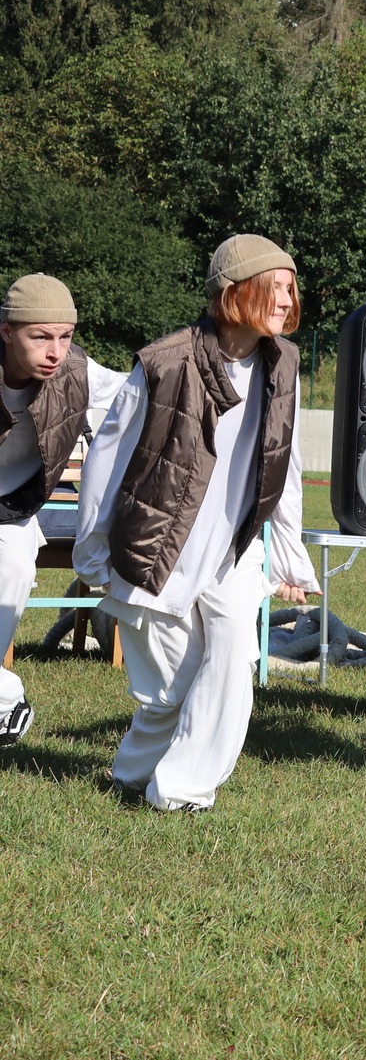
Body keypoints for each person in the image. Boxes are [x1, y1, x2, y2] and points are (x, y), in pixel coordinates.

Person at [76, 236, 319, 812]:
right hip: (160, 550)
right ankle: (132, 774)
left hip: (233, 550)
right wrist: (91, 551)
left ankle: (182, 791)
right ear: (237, 293)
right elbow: (107, 460)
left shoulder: (283, 363)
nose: (289, 300)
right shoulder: (163, 363)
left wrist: (288, 557)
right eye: (277, 286)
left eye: (292, 287)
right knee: (169, 692)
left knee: (234, 660)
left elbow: (283, 462)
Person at [0, 275, 126, 748]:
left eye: (65, 336)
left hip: (13, 513)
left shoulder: (77, 372)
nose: (56, 350)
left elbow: (140, 396)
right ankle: (6, 699)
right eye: (40, 337)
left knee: (12, 566)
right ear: (7, 331)